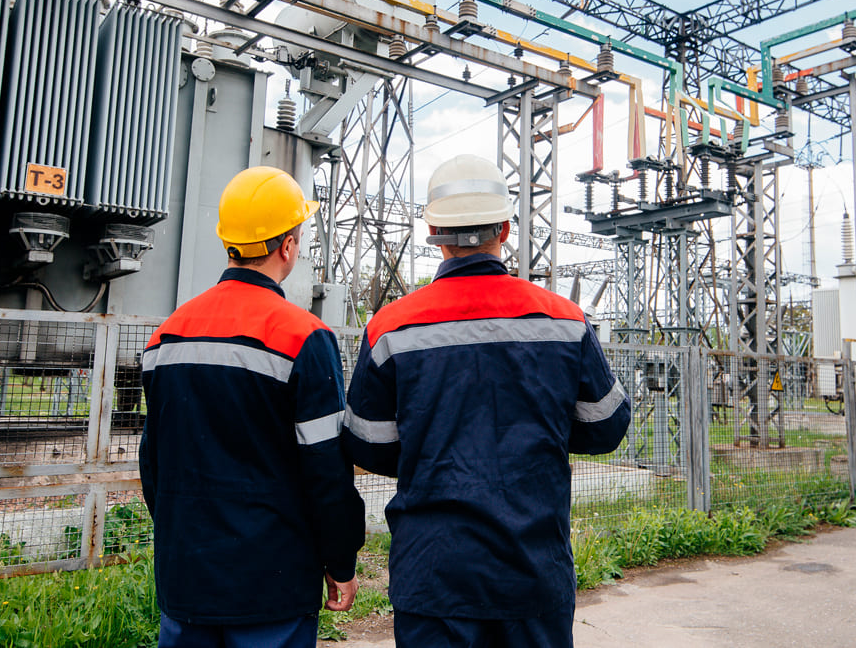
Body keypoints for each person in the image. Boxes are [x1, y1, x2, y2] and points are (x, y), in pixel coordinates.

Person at [344, 153, 631, 648]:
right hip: (532, 571)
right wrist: (542, 433)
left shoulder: (390, 328)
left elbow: (369, 445)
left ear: (433, 231)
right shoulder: (564, 321)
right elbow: (606, 427)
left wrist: (429, 449)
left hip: (434, 575)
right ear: (505, 228)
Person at [139, 166, 364, 647]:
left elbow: (153, 462)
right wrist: (340, 560)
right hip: (272, 584)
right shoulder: (304, 338)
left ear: (229, 241)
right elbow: (326, 470)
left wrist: (184, 539)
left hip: (186, 578)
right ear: (288, 246)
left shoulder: (167, 336)